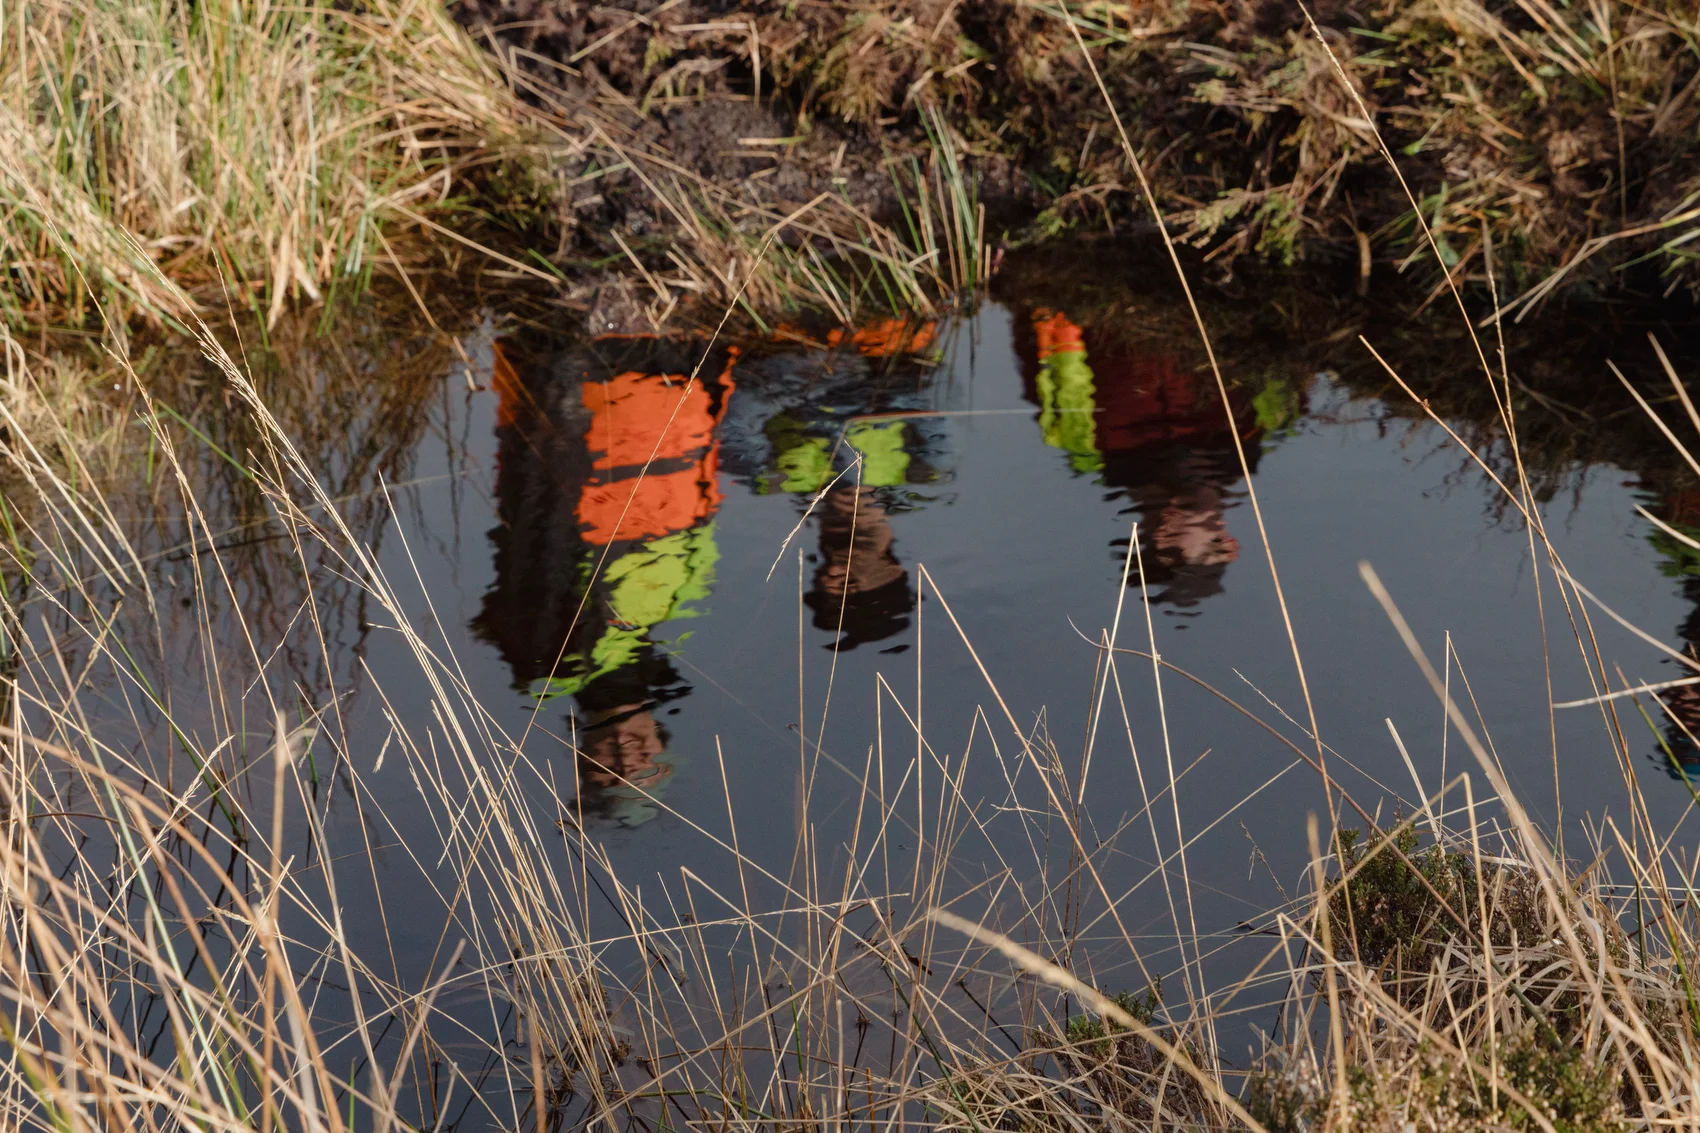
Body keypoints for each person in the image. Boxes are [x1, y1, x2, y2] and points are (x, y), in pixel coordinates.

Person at [476, 336, 735, 824]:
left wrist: (560, 386)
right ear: (664, 744)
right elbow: (702, 511)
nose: (628, 763)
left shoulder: (544, 663)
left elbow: (534, 526)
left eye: (607, 777)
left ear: (581, 760)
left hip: (586, 392)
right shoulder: (675, 636)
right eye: (647, 772)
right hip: (677, 388)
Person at [1019, 310, 1269, 608]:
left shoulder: (1089, 445)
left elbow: (1034, 343)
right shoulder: (1248, 443)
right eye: (1224, 549)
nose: (1230, 545)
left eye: (1209, 552)